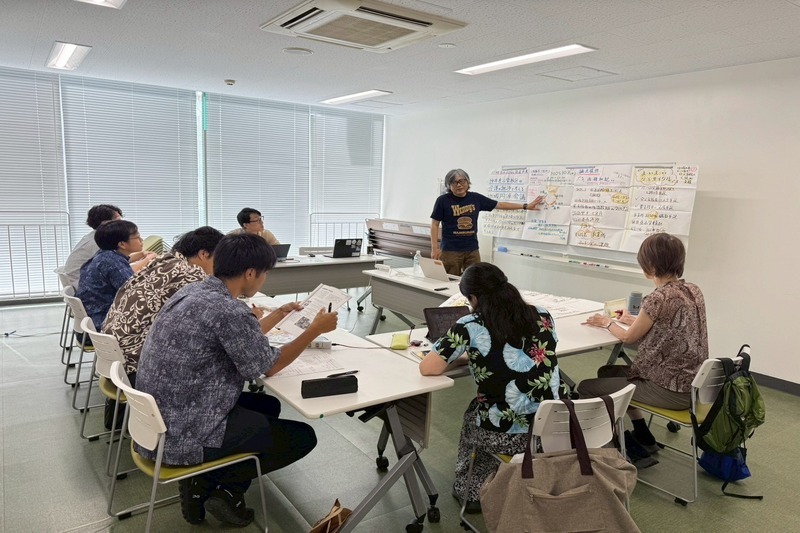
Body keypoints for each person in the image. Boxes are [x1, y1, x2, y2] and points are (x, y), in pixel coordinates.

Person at [135, 233, 338, 527]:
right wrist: (314, 330)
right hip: (184, 434)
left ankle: (201, 484)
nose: (264, 279)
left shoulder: (194, 292)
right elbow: (269, 366)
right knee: (301, 437)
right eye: (265, 273)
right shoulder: (229, 310)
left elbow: (239, 339)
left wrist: (279, 315)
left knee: (267, 406)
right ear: (251, 273)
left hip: (159, 421)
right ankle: (221, 489)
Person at [418, 262, 563, 513]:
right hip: (552, 427)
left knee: (474, 415)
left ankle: (471, 490)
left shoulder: (469, 324)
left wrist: (461, 357)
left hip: (503, 435)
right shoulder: (542, 314)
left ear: (474, 298)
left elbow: (428, 368)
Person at [577, 232, 708, 468]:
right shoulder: (692, 290)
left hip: (669, 389)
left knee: (586, 387)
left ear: (650, 267)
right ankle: (643, 434)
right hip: (693, 384)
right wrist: (632, 320)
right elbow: (668, 327)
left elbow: (628, 338)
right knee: (608, 372)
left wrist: (606, 322)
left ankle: (621, 446)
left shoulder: (658, 297)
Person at [101, 226, 224, 429]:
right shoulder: (190, 273)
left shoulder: (162, 262)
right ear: (203, 254)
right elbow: (216, 315)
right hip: (136, 367)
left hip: (115, 360)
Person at [430, 169, 544, 275]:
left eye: (462, 181)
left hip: (472, 249)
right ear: (449, 185)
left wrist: (525, 206)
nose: (459, 185)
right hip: (450, 250)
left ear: (468, 182)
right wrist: (434, 248)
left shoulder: (476, 198)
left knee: (476, 279)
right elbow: (435, 224)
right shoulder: (443, 201)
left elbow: (499, 205)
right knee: (449, 279)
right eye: (454, 182)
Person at [61, 204, 154, 289]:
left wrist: (141, 255)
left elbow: (121, 260)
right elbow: (127, 285)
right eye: (118, 221)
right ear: (106, 223)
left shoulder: (99, 240)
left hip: (85, 285)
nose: (122, 224)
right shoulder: (99, 244)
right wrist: (146, 260)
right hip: (81, 284)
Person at [76, 220, 145, 331]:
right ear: (122, 244)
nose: (142, 240)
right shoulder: (112, 262)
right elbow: (135, 292)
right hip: (104, 322)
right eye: (137, 237)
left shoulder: (104, 255)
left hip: (92, 319)